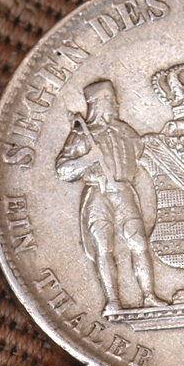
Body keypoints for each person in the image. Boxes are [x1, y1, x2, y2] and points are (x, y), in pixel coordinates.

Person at [56, 80, 160, 311]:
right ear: (96, 103)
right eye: (109, 100)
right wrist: (88, 159)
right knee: (103, 247)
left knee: (139, 244)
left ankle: (149, 296)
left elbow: (139, 153)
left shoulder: (125, 131)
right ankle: (113, 301)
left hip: (124, 192)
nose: (115, 104)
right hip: (98, 194)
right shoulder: (81, 136)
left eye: (114, 99)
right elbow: (63, 170)